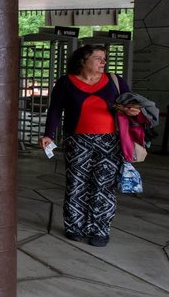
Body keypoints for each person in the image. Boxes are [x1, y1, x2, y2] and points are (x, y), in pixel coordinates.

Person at [40, 45, 137, 247]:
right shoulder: (66, 82)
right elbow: (55, 109)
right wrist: (48, 134)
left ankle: (100, 229)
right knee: (77, 183)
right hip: (77, 141)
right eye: (98, 58)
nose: (103, 62)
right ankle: (75, 226)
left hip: (110, 142)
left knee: (104, 185)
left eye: (104, 58)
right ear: (82, 61)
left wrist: (132, 111)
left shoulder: (115, 81)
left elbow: (131, 105)